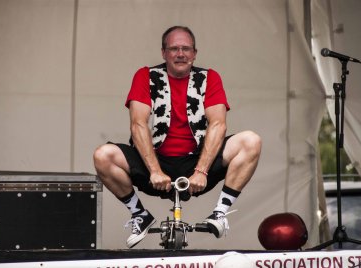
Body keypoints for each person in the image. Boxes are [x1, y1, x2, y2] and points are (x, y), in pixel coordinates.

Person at [93, 26, 262, 248]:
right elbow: (138, 124)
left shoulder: (209, 77)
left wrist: (201, 171)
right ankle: (139, 215)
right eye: (173, 48)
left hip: (199, 161)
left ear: (194, 53)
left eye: (185, 48)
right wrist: (154, 171)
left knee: (251, 141)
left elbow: (218, 124)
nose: (180, 54)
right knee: (103, 155)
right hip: (153, 161)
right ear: (163, 53)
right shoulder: (146, 75)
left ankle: (219, 214)